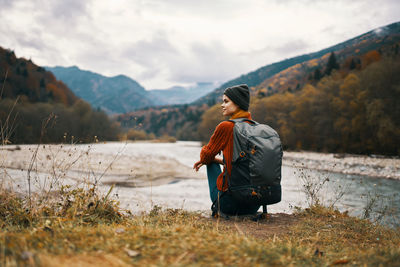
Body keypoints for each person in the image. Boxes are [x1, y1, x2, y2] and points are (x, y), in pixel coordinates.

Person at [193, 84, 260, 216]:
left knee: (209, 161)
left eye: (226, 101)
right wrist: (220, 160)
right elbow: (243, 165)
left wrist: (209, 158)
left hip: (230, 203)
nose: (222, 105)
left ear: (238, 103)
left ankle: (219, 204)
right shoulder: (257, 128)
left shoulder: (226, 126)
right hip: (255, 204)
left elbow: (205, 157)